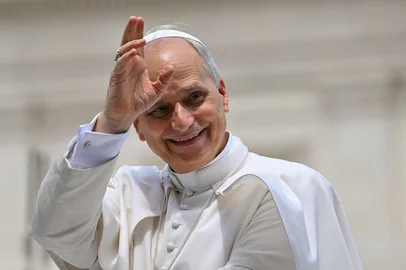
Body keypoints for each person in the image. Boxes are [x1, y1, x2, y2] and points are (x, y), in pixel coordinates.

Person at [29, 16, 363, 270]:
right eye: (158, 109)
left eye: (194, 97)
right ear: (139, 127)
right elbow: (55, 233)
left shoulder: (288, 188)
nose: (182, 121)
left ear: (222, 95)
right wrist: (112, 121)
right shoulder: (128, 195)